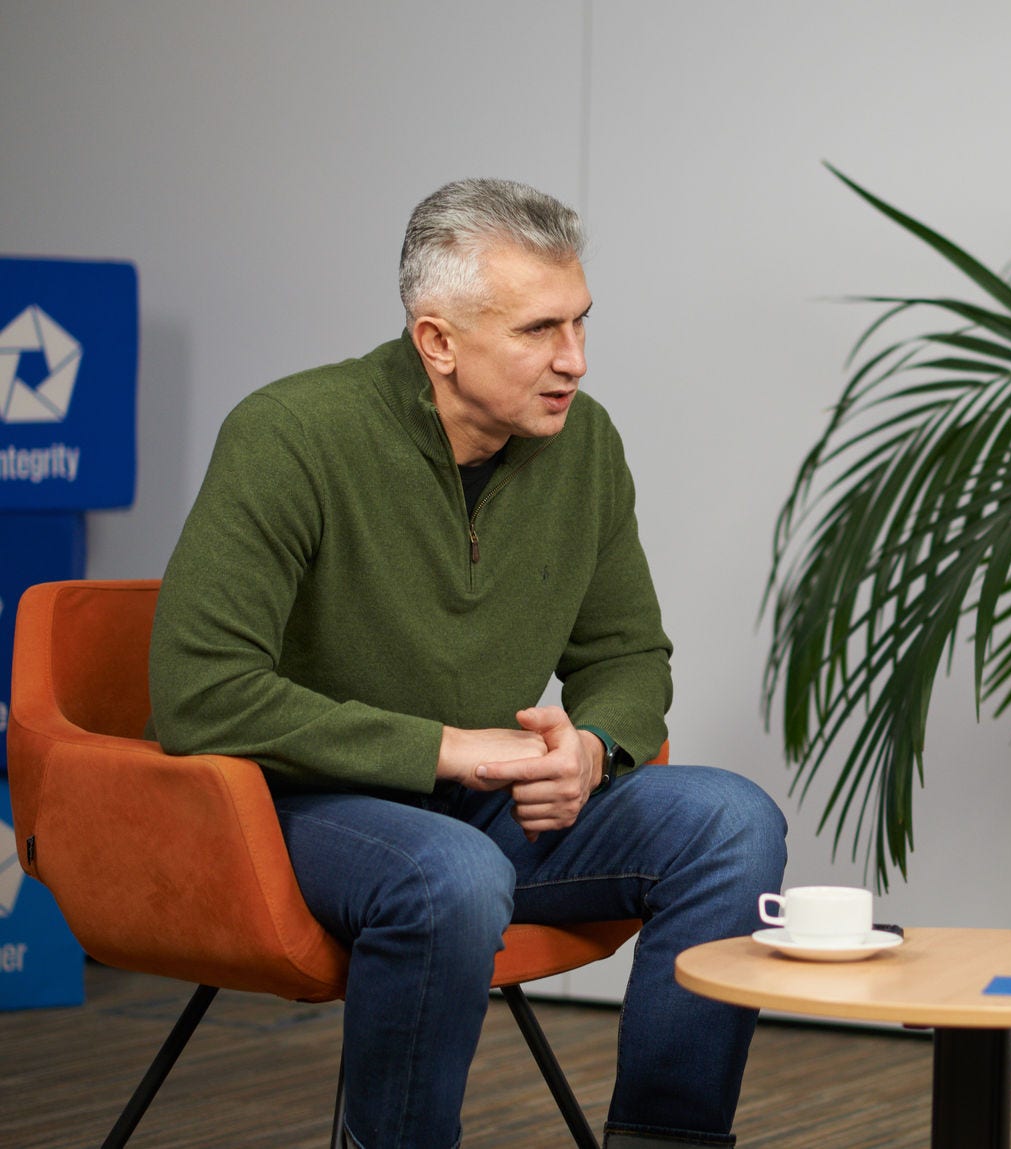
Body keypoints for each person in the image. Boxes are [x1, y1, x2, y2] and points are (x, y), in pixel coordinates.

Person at [149, 178, 788, 1149]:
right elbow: (199, 693)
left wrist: (592, 748)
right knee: (448, 875)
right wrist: (449, 748)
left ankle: (666, 1139)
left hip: (482, 811)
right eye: (538, 330)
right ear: (437, 341)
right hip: (293, 807)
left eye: (579, 321)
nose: (574, 359)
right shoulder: (290, 434)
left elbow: (626, 653)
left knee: (730, 822)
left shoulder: (584, 444)